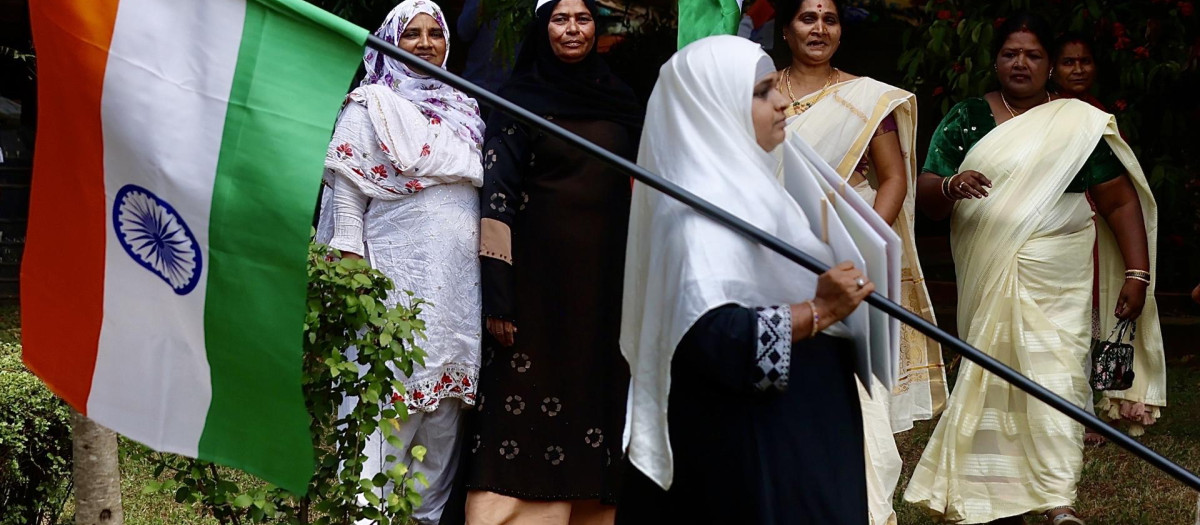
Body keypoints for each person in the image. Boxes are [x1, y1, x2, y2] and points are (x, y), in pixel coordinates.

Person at [902, 13, 1167, 525]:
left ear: (1049, 66)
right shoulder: (968, 118)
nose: (1020, 62)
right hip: (989, 269)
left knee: (1061, 375)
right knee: (993, 374)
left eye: (1033, 55)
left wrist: (1138, 274)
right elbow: (928, 195)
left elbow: (1117, 201)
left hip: (1059, 274)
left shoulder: (1074, 123)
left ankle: (1057, 499)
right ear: (996, 61)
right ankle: (990, 495)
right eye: (1010, 53)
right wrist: (952, 185)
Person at [617, 35, 872, 525]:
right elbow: (716, 339)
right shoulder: (697, 214)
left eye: (775, 88)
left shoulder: (753, 187)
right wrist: (821, 311)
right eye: (761, 92)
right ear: (714, 106)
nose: (781, 102)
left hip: (797, 427)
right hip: (752, 448)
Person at [462, 0, 644, 521]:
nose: (572, 30)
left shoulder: (619, 101)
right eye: (561, 19)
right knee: (522, 408)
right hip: (534, 294)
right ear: (544, 29)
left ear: (596, 29)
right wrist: (499, 293)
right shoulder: (519, 102)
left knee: (593, 405)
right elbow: (495, 202)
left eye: (582, 19)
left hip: (603, 289)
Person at [773, 0, 947, 522]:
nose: (819, 29)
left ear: (842, 32)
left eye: (829, 19)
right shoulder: (756, 96)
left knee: (856, 388)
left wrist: (864, 242)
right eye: (807, 18)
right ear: (786, 29)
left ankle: (868, 510)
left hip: (850, 258)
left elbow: (893, 177)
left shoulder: (867, 99)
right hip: (773, 255)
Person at [314, 1, 486, 522]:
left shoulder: (466, 112)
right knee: (378, 443)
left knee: (438, 449)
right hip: (389, 295)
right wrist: (352, 285)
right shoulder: (371, 106)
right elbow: (346, 206)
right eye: (412, 34)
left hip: (455, 302)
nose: (426, 43)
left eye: (436, 34)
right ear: (389, 39)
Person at [1052, 33, 1105, 110]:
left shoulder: (1096, 108)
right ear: (1052, 68)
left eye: (1085, 61)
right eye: (1068, 62)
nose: (1079, 70)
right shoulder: (1047, 108)